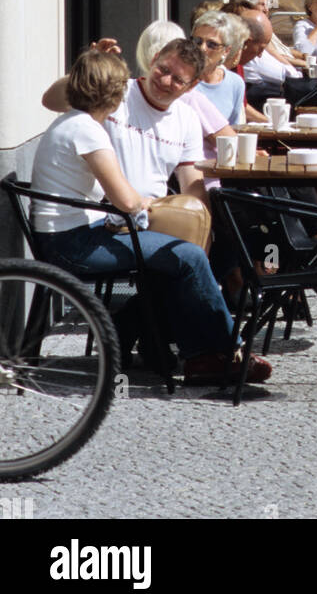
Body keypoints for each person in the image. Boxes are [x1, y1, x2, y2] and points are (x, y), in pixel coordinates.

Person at [38, 42, 271, 383]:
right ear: (152, 61)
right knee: (186, 259)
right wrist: (85, 68)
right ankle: (219, 351)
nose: (165, 81)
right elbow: (54, 101)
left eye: (177, 79)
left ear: (191, 87)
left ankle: (155, 336)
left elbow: (191, 181)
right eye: (162, 69)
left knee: (214, 249)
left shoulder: (187, 118)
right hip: (110, 218)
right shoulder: (115, 94)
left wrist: (202, 227)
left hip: (145, 218)